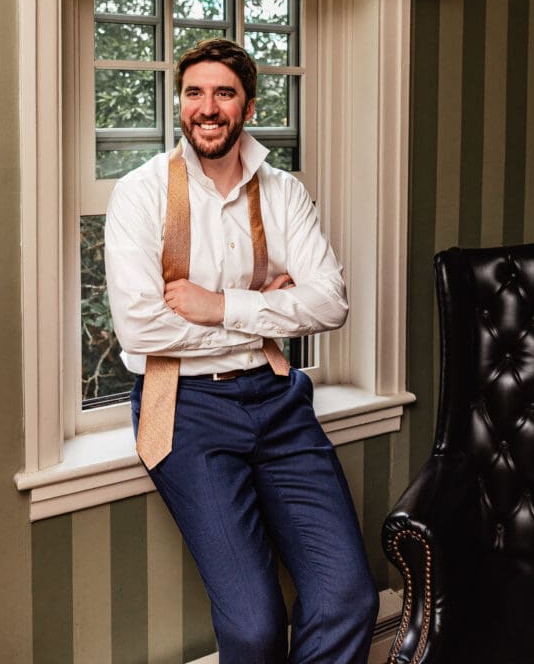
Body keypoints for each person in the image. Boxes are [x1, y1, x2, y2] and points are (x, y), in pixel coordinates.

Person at [105, 38, 377, 664]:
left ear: (247, 106)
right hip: (185, 407)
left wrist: (218, 304)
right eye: (195, 92)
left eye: (224, 93)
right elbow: (142, 330)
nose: (208, 107)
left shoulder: (282, 192)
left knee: (349, 598)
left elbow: (330, 302)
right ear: (179, 103)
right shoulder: (141, 194)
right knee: (255, 628)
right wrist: (261, 311)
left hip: (278, 400)